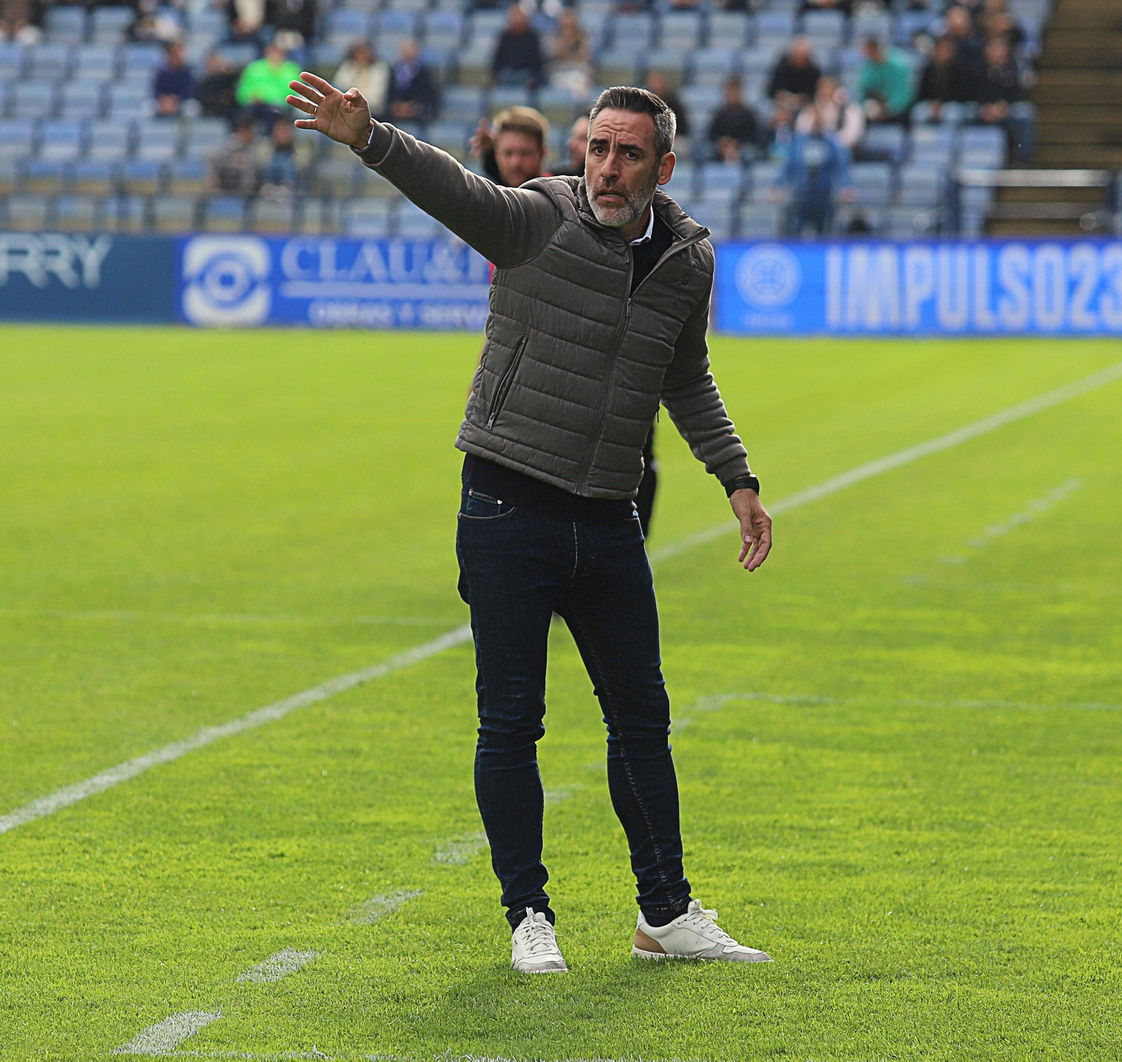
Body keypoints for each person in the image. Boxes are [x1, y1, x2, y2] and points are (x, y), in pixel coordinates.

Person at [289, 71, 774, 975]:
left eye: (631, 153)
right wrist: (369, 137)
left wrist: (736, 478)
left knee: (642, 718)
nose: (609, 168)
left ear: (664, 166)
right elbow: (449, 186)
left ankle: (664, 913)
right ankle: (528, 914)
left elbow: (686, 376)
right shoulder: (536, 217)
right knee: (512, 720)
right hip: (507, 500)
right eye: (598, 147)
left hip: (610, 509)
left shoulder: (688, 259)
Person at [772, 103, 853, 237]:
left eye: (819, 119)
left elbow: (840, 166)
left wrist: (846, 186)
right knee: (795, 229)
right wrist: (777, 185)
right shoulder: (798, 143)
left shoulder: (830, 143)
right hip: (801, 195)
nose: (816, 122)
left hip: (823, 195)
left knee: (823, 231)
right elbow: (788, 166)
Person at [469, 104, 548, 187]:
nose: (516, 163)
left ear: (542, 153)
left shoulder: (558, 195)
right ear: (496, 154)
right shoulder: (490, 197)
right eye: (508, 153)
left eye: (525, 153)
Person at [236, 36, 299, 119]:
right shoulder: (254, 68)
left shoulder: (292, 70)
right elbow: (242, 92)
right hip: (255, 107)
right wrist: (251, 97)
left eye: (278, 52)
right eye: (272, 52)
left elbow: (294, 93)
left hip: (281, 108)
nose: (274, 55)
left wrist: (267, 98)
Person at [766, 37, 821, 127]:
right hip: (781, 104)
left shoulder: (814, 70)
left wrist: (803, 98)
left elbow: (816, 92)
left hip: (805, 105)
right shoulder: (781, 68)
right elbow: (770, 90)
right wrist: (781, 96)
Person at [856, 36, 913, 124]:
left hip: (897, 112)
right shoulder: (868, 67)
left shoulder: (898, 66)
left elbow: (903, 95)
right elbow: (863, 89)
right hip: (875, 110)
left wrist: (889, 109)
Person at [707, 75, 764, 162]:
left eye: (735, 92)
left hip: (743, 149)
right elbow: (711, 135)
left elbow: (754, 136)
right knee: (706, 152)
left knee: (749, 153)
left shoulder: (748, 114)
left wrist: (737, 144)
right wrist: (721, 142)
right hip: (721, 150)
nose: (732, 95)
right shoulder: (719, 114)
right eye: (730, 92)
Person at [802, 74, 863, 154]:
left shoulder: (850, 108)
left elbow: (853, 135)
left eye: (827, 88)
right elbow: (801, 132)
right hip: (814, 150)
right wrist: (815, 123)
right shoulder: (811, 109)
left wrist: (830, 142)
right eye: (821, 89)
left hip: (843, 152)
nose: (824, 92)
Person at [916, 37, 971, 122]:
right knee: (919, 111)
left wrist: (942, 104)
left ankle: (949, 135)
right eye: (940, 49)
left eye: (945, 49)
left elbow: (962, 94)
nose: (942, 52)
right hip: (931, 104)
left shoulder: (959, 70)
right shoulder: (928, 70)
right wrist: (933, 104)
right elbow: (922, 93)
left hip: (951, 104)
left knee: (952, 113)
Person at [385, 38, 438, 123]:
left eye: (410, 49)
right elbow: (389, 91)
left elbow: (427, 93)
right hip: (396, 110)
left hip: (416, 110)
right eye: (405, 50)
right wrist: (397, 106)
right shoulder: (394, 70)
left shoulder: (424, 72)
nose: (407, 52)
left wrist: (412, 106)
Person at [492, 4, 543, 88]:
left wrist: (535, 76)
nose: (517, 19)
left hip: (526, 73)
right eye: (515, 17)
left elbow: (537, 61)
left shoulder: (533, 37)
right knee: (505, 76)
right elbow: (497, 60)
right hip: (507, 73)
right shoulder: (504, 36)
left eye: (520, 16)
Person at [547, 8, 591, 102]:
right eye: (565, 26)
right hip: (559, 71)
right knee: (557, 89)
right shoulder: (556, 37)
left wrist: (572, 44)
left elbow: (583, 56)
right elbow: (555, 55)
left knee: (579, 89)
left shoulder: (582, 36)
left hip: (578, 71)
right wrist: (565, 42)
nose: (568, 28)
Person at [333, 40, 388, 112]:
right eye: (359, 53)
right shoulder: (347, 67)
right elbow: (339, 88)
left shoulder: (379, 69)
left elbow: (376, 98)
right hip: (347, 107)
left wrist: (357, 102)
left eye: (365, 53)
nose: (362, 56)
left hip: (371, 110)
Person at [209, 117, 260, 193]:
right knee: (213, 159)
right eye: (241, 132)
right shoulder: (232, 146)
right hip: (228, 176)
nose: (243, 135)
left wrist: (243, 160)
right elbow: (219, 158)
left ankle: (242, 196)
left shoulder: (258, 145)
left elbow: (260, 161)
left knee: (249, 164)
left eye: (246, 132)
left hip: (249, 187)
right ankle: (215, 193)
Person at [153, 40, 196, 117]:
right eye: (174, 54)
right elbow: (156, 90)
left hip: (181, 102)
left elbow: (190, 91)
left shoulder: (187, 72)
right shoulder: (162, 72)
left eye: (178, 54)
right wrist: (164, 99)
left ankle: (185, 128)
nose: (176, 57)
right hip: (164, 102)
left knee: (191, 107)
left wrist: (176, 99)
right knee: (148, 108)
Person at [196, 50, 242, 119]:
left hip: (228, 114)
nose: (213, 66)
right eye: (211, 64)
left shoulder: (228, 80)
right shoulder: (204, 83)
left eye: (216, 63)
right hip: (211, 114)